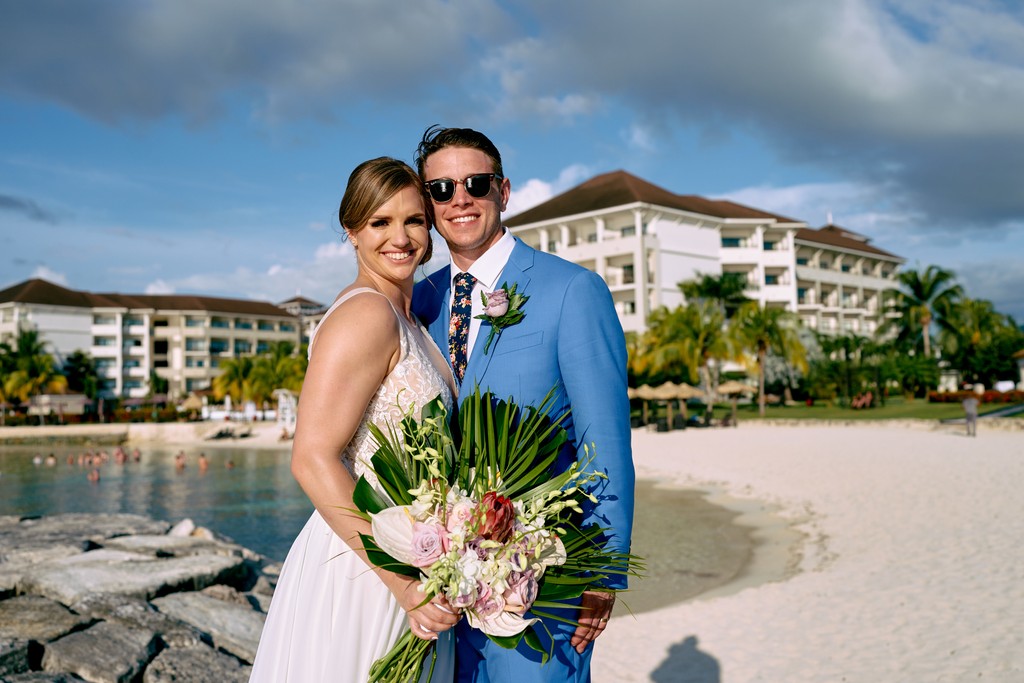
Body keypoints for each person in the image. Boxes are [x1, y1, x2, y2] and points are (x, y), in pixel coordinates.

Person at [412, 127, 635, 682]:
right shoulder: (418, 301)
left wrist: (602, 571)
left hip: (540, 584)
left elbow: (604, 439)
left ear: (503, 191)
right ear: (428, 203)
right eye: (441, 189)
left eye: (476, 183)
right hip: (439, 589)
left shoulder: (572, 290)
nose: (459, 199)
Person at [250, 157, 459, 682]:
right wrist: (402, 585)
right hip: (366, 567)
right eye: (380, 222)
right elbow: (311, 458)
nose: (401, 238)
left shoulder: (409, 317)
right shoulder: (366, 314)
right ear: (351, 231)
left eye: (414, 220)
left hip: (412, 558)